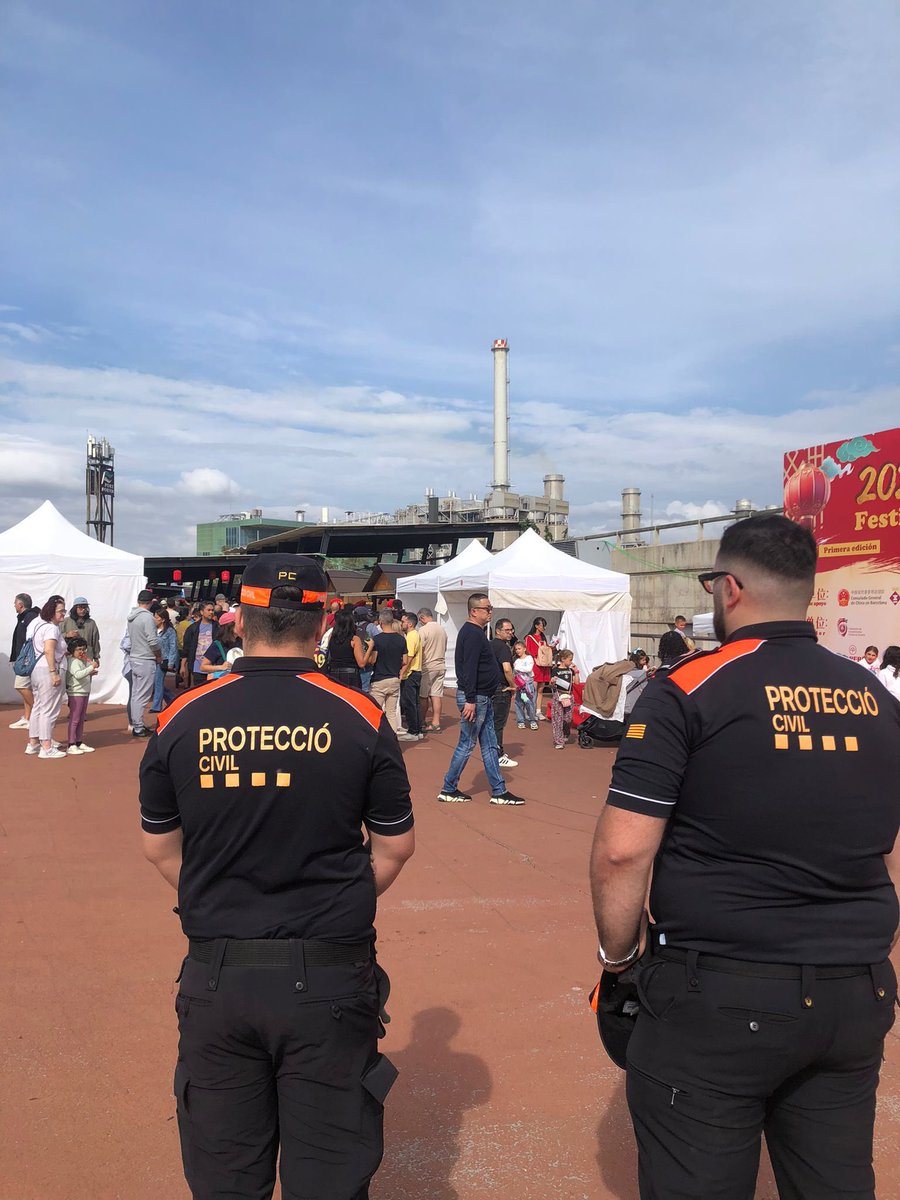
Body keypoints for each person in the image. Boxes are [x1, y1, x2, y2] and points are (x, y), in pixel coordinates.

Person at [589, 513, 900, 1200]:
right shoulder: (875, 696)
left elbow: (622, 851)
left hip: (720, 992)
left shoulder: (691, 688)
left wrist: (619, 961)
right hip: (853, 990)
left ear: (729, 588)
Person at [139, 553, 414, 1199]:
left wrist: (219, 901)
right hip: (328, 973)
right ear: (321, 622)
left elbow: (159, 847)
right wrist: (335, 903)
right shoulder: (360, 715)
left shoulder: (181, 716)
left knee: (226, 1176)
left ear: (241, 621)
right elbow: (395, 849)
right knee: (330, 1175)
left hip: (218, 972)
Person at [437, 593, 525, 806]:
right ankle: (449, 787)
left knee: (490, 745)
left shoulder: (474, 633)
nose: (490, 612)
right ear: (474, 611)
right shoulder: (473, 634)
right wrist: (470, 699)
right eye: (487, 608)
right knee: (467, 744)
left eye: (491, 608)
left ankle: (498, 790)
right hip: (476, 698)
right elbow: (468, 668)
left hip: (481, 696)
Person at [26, 595, 69, 759]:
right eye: (61, 611)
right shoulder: (51, 629)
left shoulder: (40, 627)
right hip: (48, 669)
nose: (63, 614)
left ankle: (33, 743)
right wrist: (54, 673)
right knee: (49, 710)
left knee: (38, 707)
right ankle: (46, 746)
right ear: (52, 611)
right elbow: (49, 650)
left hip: (37, 670)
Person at [368, 608, 408, 737]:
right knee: (391, 713)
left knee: (375, 711)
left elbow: (373, 660)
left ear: (380, 622)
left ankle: (376, 739)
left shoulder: (377, 639)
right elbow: (405, 661)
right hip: (394, 678)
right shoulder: (401, 639)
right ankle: (392, 740)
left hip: (379, 679)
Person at [127, 589, 162, 738]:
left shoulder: (132, 617)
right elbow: (153, 641)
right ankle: (138, 726)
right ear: (151, 602)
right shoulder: (147, 618)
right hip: (145, 659)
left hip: (134, 657)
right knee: (142, 695)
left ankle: (137, 724)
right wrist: (158, 655)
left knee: (136, 694)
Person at [9, 592, 40, 729]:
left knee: (20, 686)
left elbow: (32, 638)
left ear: (20, 605)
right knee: (26, 687)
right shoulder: (23, 617)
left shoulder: (30, 617)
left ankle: (39, 714)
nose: (14, 605)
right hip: (22, 659)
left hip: (27, 660)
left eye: (15, 602)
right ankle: (28, 718)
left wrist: (26, 658)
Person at [490, 616, 518, 767]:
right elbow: (507, 668)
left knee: (493, 723)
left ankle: (493, 752)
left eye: (511, 630)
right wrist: (513, 685)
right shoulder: (503, 647)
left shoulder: (490, 645)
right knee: (498, 723)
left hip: (492, 687)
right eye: (507, 630)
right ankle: (498, 754)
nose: (510, 633)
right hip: (501, 688)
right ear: (498, 631)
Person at [64, 636, 98, 754]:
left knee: (81, 718)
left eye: (83, 649)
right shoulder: (73, 661)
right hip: (76, 693)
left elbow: (81, 675)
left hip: (84, 691)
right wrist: (91, 668)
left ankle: (79, 741)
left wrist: (90, 671)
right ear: (72, 650)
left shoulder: (81, 661)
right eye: (78, 649)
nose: (81, 652)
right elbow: (78, 675)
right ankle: (71, 743)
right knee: (75, 718)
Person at [418, 607, 448, 733]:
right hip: (440, 664)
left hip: (427, 665)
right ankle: (436, 722)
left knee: (423, 696)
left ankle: (422, 721)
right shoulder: (442, 629)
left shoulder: (423, 630)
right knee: (436, 695)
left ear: (422, 618)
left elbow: (420, 649)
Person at [326, 607, 368, 689]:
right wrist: (370, 648)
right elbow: (361, 663)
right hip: (350, 674)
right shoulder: (354, 639)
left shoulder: (331, 637)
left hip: (333, 673)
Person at [182, 599, 218, 688]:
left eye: (212, 610)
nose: (211, 612)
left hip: (213, 668)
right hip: (197, 668)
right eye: (208, 610)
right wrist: (183, 666)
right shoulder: (193, 628)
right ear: (202, 612)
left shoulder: (217, 627)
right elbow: (186, 648)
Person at [399, 611, 424, 740]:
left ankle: (413, 731)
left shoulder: (411, 636)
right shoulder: (415, 634)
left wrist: (402, 673)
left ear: (409, 623)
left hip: (411, 673)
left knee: (409, 703)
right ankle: (417, 730)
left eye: (403, 621)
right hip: (416, 672)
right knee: (414, 703)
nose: (401, 624)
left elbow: (408, 657)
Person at [150, 606, 178, 712]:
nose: (154, 619)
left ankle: (156, 706)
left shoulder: (170, 631)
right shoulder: (152, 630)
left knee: (157, 681)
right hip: (152, 659)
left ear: (163, 619)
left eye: (157, 617)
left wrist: (171, 662)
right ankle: (172, 699)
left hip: (163, 660)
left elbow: (173, 647)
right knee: (155, 682)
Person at [199, 611, 243, 680]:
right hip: (225, 683)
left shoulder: (242, 641)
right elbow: (203, 667)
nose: (241, 625)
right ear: (230, 626)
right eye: (238, 623)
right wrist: (222, 667)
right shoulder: (218, 644)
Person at [549, 648, 579, 749]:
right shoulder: (555, 670)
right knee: (557, 718)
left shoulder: (570, 671)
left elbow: (577, 683)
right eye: (570, 659)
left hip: (569, 695)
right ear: (563, 659)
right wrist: (552, 681)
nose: (571, 662)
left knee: (568, 718)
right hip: (559, 695)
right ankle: (559, 741)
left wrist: (576, 671)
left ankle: (566, 732)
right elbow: (551, 685)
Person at [60, 597, 101, 668]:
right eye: (80, 608)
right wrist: (67, 635)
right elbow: (57, 636)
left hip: (87, 657)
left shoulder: (91, 623)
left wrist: (96, 657)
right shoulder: (65, 621)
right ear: (75, 608)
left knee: (86, 677)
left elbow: (95, 641)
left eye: (85, 608)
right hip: (70, 657)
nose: (83, 610)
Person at [525, 617, 551, 719]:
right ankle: (528, 710)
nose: (544, 627)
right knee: (532, 690)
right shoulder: (529, 637)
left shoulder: (544, 638)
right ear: (536, 626)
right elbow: (527, 651)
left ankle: (538, 711)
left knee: (541, 690)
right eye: (542, 625)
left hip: (544, 666)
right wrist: (533, 660)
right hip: (535, 665)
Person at [512, 639, 538, 730]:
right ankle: (520, 720)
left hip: (528, 685)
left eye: (519, 648)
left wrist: (519, 668)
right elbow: (514, 672)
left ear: (524, 649)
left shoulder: (529, 658)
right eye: (516, 649)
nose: (517, 651)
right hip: (520, 686)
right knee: (519, 702)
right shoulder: (516, 660)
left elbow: (528, 669)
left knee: (530, 703)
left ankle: (532, 720)